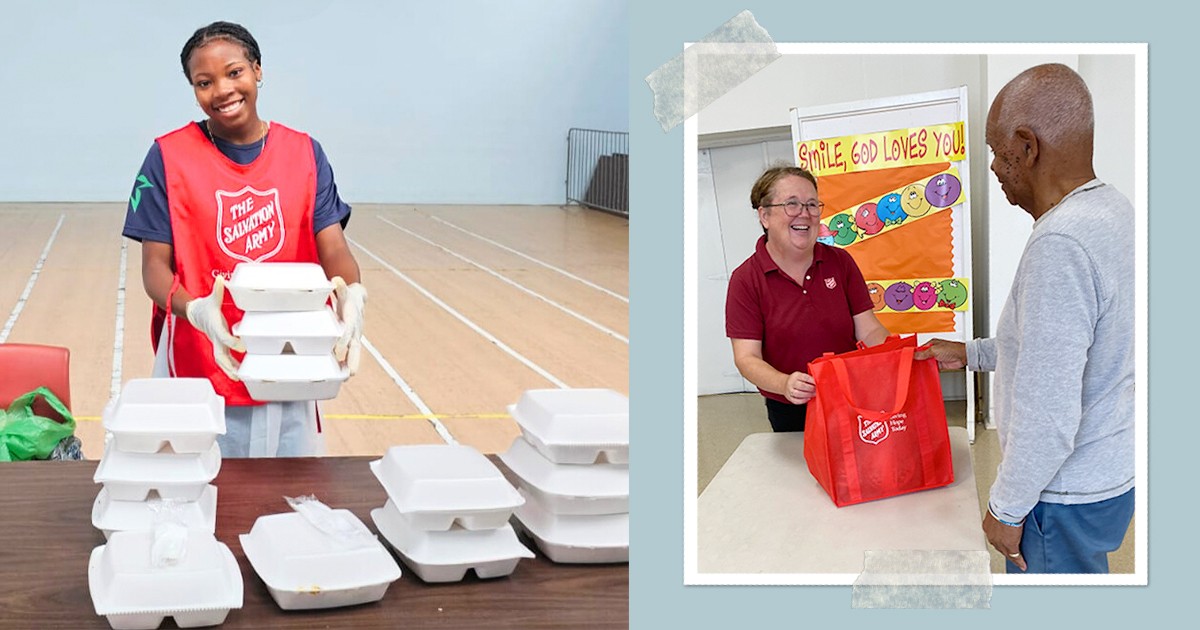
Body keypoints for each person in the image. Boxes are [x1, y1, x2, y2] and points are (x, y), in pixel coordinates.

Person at [915, 64, 1134, 573]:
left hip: (1059, 496)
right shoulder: (1114, 212)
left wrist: (1007, 509)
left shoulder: (1060, 244)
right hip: (1109, 475)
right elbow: (1060, 346)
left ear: (1027, 146)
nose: (994, 166)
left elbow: (1049, 414)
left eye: (997, 151)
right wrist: (970, 353)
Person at [122, 21, 367, 458]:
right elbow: (154, 267)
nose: (221, 90)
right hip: (200, 359)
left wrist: (352, 294)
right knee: (194, 493)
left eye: (234, 72)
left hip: (287, 358)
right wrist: (195, 309)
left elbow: (333, 249)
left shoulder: (305, 153)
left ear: (257, 70)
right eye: (204, 82)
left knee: (290, 498)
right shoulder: (167, 156)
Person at [725, 166, 889, 432]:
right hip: (789, 408)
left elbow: (868, 328)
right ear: (764, 215)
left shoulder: (840, 262)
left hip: (849, 396)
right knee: (799, 473)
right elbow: (747, 357)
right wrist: (784, 384)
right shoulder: (745, 280)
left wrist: (896, 357)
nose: (805, 213)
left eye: (812, 204)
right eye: (792, 204)